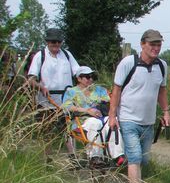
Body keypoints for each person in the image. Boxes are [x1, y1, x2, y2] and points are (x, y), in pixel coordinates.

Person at [108, 29, 170, 183]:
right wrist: (112, 115)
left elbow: (162, 91)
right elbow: (117, 90)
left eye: (158, 44)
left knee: (142, 159)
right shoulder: (128, 63)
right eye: (152, 44)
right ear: (142, 44)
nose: (156, 48)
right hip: (128, 118)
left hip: (148, 120)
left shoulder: (162, 66)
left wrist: (166, 111)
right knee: (134, 156)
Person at [27, 28, 80, 158]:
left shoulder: (67, 55)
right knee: (47, 132)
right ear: (48, 42)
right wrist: (41, 87)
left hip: (65, 100)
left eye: (58, 42)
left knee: (68, 129)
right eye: (53, 42)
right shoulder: (41, 56)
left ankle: (73, 157)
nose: (56, 45)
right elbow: (31, 79)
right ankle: (48, 159)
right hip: (46, 101)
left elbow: (78, 72)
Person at [61, 66, 125, 169]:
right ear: (79, 79)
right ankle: (95, 157)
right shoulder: (71, 92)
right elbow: (66, 107)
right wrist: (86, 110)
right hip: (81, 120)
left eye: (92, 77)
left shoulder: (99, 90)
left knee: (113, 121)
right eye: (87, 77)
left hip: (101, 116)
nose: (90, 79)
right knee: (94, 123)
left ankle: (117, 155)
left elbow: (109, 101)